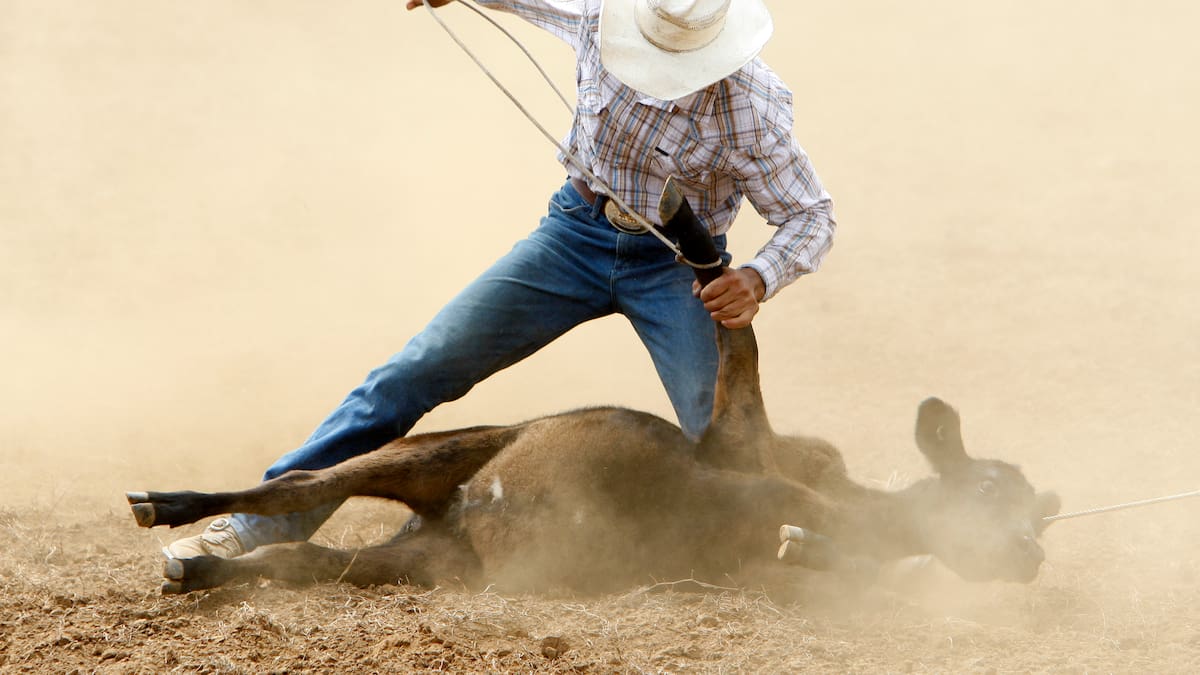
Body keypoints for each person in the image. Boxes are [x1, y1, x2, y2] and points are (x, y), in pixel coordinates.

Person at [165, 0, 836, 560]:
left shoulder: (754, 106)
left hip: (678, 273)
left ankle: (830, 530)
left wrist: (756, 275)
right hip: (574, 235)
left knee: (724, 437)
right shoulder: (608, 16)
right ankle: (258, 525)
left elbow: (813, 216)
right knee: (416, 370)